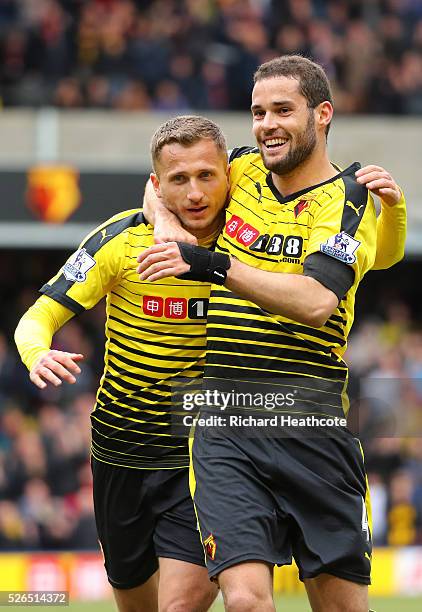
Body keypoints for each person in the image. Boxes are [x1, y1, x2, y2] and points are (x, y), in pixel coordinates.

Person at [137, 55, 406, 612]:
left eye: (283, 110)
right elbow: (157, 187)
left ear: (322, 114)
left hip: (311, 425)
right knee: (245, 600)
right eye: (258, 112)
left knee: (341, 607)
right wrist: (172, 238)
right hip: (226, 424)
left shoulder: (350, 198)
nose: (267, 124)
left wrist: (207, 263)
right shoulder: (238, 169)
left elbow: (317, 301)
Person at [14, 115, 231, 612]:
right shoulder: (120, 240)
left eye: (206, 176)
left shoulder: (246, 244)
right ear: (156, 184)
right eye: (178, 179)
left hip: (201, 453)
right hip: (120, 451)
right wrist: (36, 352)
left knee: (180, 606)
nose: (194, 192)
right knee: (136, 603)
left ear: (227, 174)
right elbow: (38, 315)